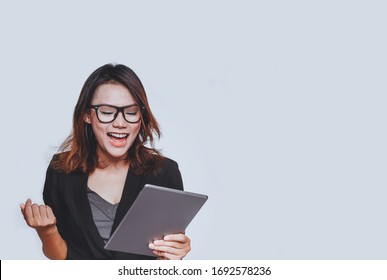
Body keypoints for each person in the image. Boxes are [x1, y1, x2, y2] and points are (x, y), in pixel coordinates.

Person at [20, 64, 191, 260]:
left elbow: (166, 259)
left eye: (131, 112)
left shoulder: (165, 172)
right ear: (86, 115)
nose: (120, 122)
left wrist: (175, 252)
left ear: (141, 116)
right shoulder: (61, 171)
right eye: (107, 111)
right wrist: (47, 231)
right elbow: (61, 258)